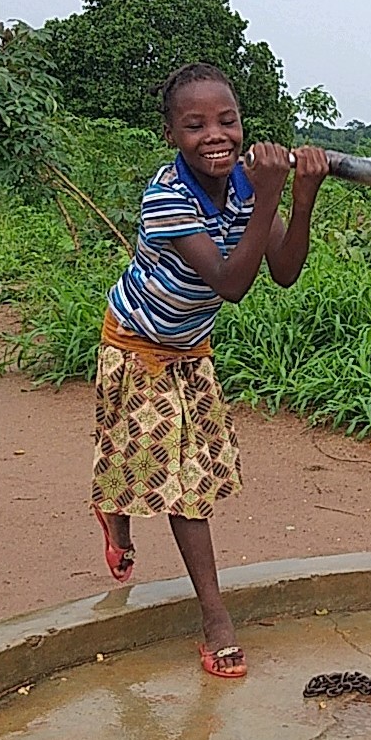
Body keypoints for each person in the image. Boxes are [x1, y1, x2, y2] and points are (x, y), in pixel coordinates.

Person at [91, 61, 322, 679]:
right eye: (195, 125)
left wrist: (300, 201)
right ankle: (216, 621)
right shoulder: (166, 198)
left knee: (175, 472)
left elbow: (284, 269)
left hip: (190, 350)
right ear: (172, 134)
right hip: (139, 347)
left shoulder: (247, 186)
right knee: (180, 487)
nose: (214, 135)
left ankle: (113, 513)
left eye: (227, 120)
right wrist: (270, 194)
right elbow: (231, 283)